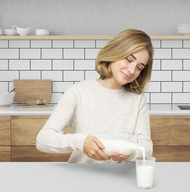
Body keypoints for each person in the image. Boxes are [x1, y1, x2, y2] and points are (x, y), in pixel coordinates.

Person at [36, 29, 153, 163]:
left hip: (121, 178)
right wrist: (81, 141)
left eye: (139, 67)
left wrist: (129, 154)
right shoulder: (78, 92)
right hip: (82, 176)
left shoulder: (137, 99)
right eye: (129, 59)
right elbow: (43, 139)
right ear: (115, 52)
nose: (132, 70)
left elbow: (146, 147)